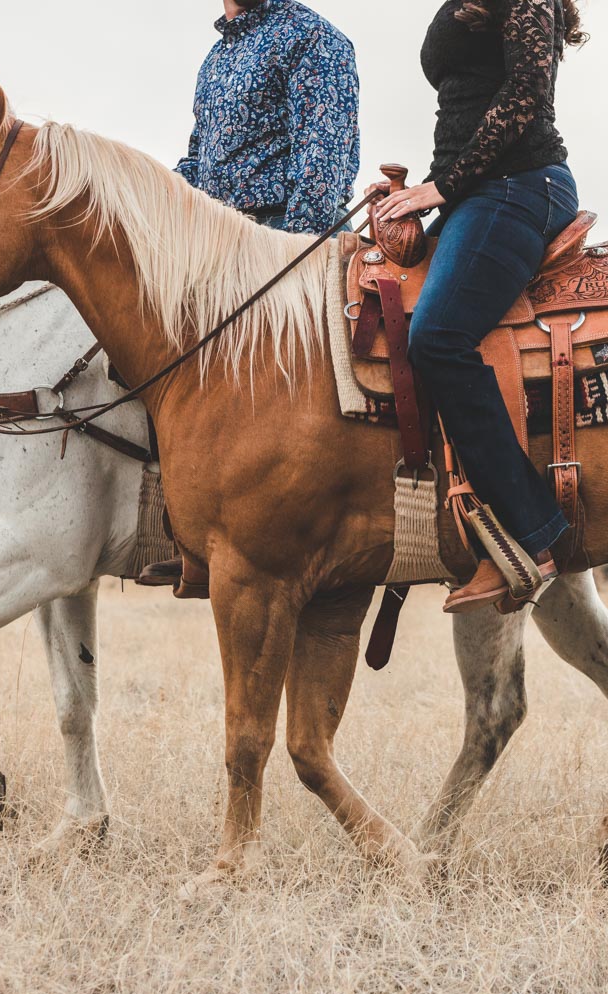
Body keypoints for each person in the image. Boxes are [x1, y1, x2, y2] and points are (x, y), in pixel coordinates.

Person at [372, 0, 587, 614]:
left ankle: (532, 535)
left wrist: (442, 185)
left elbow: (523, 96)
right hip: (471, 193)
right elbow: (468, 104)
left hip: (520, 186)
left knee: (438, 337)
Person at [142, 0, 361, 593]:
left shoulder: (315, 40)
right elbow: (199, 162)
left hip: (281, 256)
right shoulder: (217, 58)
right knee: (132, 356)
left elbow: (323, 172)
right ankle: (183, 533)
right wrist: (152, 210)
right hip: (212, 256)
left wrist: (272, 265)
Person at [174, 0, 361, 234]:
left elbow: (321, 156)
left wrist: (297, 255)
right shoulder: (216, 58)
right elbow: (199, 162)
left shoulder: (312, 35)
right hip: (224, 239)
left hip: (286, 234)